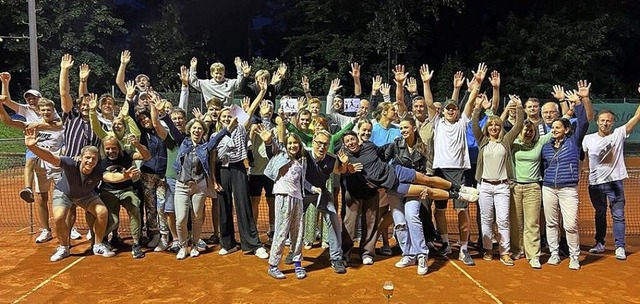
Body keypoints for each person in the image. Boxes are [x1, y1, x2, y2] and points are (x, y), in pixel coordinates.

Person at [24, 127, 119, 261]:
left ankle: (98, 245)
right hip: (64, 193)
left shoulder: (98, 169)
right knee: (59, 217)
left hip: (85, 195)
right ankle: (64, 247)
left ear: (97, 160)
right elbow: (50, 157)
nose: (90, 161)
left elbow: (110, 177)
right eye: (87, 158)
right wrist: (33, 147)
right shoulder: (70, 163)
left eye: (94, 159)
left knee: (102, 211)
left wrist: (125, 176)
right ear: (81, 158)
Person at [430, 64, 483, 266]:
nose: (451, 110)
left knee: (462, 210)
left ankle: (463, 248)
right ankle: (445, 243)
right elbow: (428, 102)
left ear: (458, 112)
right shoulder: (437, 123)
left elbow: (470, 101)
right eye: (448, 109)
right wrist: (426, 83)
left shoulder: (462, 122)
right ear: (442, 112)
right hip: (440, 171)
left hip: (460, 171)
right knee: (440, 210)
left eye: (454, 108)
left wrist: (477, 83)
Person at [582, 83, 640, 261]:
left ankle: (620, 246)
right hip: (595, 184)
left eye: (608, 121)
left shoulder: (619, 134)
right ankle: (599, 243)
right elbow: (582, 158)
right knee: (599, 213)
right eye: (602, 120)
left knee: (619, 215)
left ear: (613, 122)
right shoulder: (587, 139)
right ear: (597, 122)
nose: (605, 123)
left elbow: (637, 116)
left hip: (615, 182)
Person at [0, 95, 63, 244]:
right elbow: (8, 121)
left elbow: (58, 126)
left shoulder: (59, 123)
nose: (46, 112)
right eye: (43, 110)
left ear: (53, 110)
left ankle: (70, 228)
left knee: (64, 197)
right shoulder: (31, 124)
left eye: (49, 109)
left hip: (57, 164)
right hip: (39, 165)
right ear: (40, 112)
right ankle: (45, 230)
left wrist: (37, 126)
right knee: (41, 198)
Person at [472, 94, 524, 266]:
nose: (494, 127)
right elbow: (474, 125)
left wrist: (519, 107)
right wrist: (478, 108)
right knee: (486, 219)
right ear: (487, 128)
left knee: (503, 220)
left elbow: (518, 125)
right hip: (485, 185)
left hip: (502, 187)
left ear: (501, 127)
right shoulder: (482, 140)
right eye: (491, 125)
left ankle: (504, 252)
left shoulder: (506, 141)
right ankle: (488, 249)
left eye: (496, 125)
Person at [541, 90, 589, 270]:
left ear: (566, 129)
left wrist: (580, 102)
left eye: (558, 127)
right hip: (548, 188)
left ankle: (574, 256)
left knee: (570, 224)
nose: (554, 130)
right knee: (551, 223)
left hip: (568, 189)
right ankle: (554, 253)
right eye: (553, 128)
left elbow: (584, 123)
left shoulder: (574, 142)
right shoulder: (546, 147)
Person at [173, 116, 232, 259]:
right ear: (189, 130)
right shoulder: (183, 142)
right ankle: (183, 246)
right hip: (182, 185)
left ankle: (194, 245)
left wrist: (227, 128)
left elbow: (217, 138)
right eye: (194, 128)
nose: (197, 130)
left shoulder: (206, 146)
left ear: (203, 131)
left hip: (199, 186)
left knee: (197, 217)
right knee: (180, 219)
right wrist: (163, 114)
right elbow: (173, 129)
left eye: (200, 128)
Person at [263, 132, 310, 280]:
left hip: (297, 198)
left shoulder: (302, 161)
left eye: (295, 143)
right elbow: (274, 148)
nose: (292, 145)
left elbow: (302, 181)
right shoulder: (281, 155)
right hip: (283, 197)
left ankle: (297, 263)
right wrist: (269, 140)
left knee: (298, 232)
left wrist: (313, 188)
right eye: (290, 143)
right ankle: (273, 266)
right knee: (281, 232)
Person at [99, 134, 151, 258]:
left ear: (119, 147)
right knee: (113, 221)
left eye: (113, 148)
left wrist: (137, 145)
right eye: (107, 149)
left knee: (135, 210)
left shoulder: (127, 154)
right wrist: (124, 176)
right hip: (108, 192)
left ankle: (136, 244)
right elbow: (108, 177)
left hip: (127, 190)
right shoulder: (100, 161)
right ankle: (105, 239)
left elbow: (147, 156)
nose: (111, 151)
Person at [510, 119, 553, 269]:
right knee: (516, 223)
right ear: (520, 131)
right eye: (525, 130)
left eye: (531, 131)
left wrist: (568, 111)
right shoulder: (514, 144)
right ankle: (517, 250)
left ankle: (534, 255)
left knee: (532, 223)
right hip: (515, 187)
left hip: (533, 188)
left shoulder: (539, 143)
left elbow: (554, 131)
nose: (528, 133)